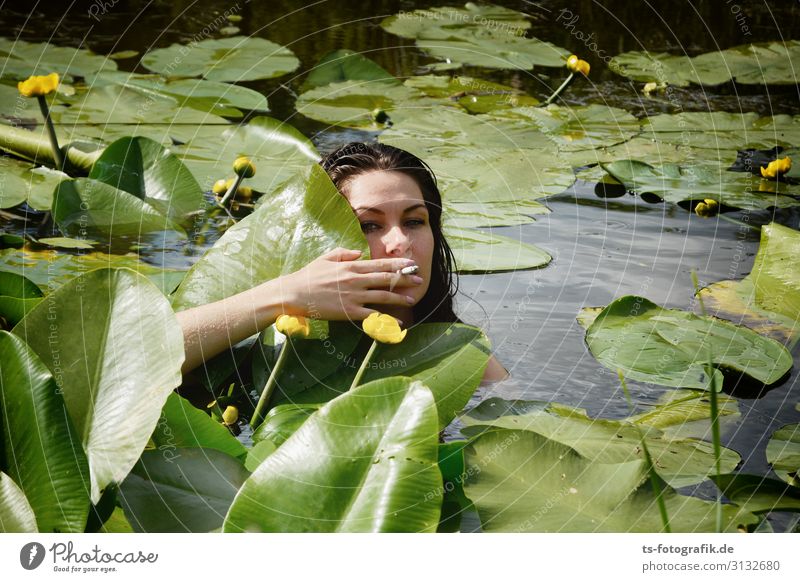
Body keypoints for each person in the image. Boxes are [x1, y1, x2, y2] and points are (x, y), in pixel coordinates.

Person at [176, 142, 509, 384]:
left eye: (414, 222)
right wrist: (287, 293)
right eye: (369, 225)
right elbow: (140, 357)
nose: (400, 242)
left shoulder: (455, 352)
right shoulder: (278, 342)